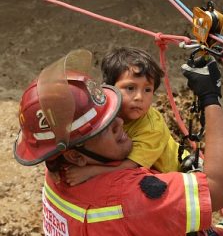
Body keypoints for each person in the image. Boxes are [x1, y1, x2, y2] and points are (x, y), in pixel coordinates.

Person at [13, 50, 223, 235]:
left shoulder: (57, 168)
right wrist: (210, 98)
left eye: (112, 115)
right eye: (105, 127)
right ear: (76, 155)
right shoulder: (127, 197)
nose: (120, 122)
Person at [64, 47, 188, 186]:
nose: (139, 97)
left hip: (176, 171)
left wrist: (90, 171)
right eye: (130, 88)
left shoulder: (152, 128)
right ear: (110, 88)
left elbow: (130, 166)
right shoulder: (104, 107)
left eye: (148, 90)